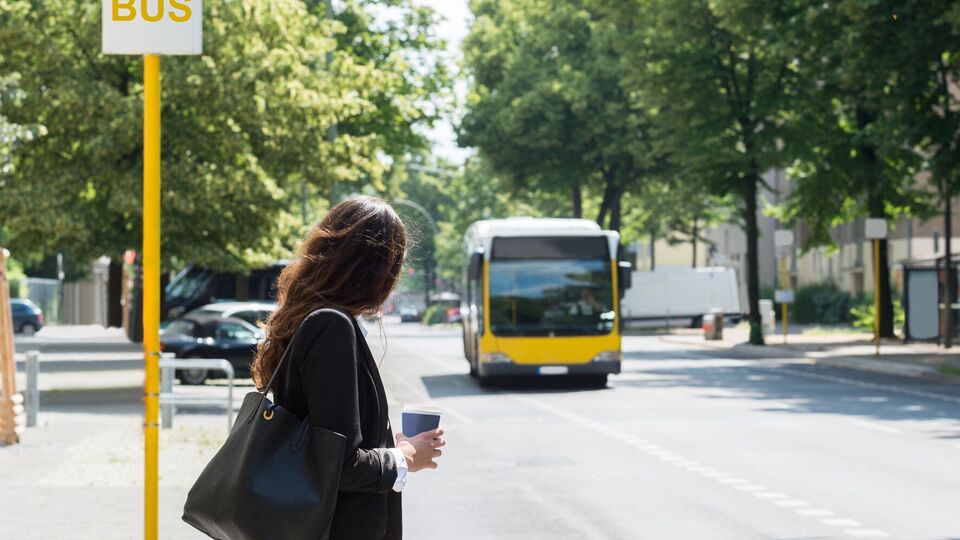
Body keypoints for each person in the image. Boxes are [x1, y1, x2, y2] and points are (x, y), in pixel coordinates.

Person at [251, 196, 444, 539]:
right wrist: (403, 458)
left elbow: (324, 441)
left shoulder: (312, 320)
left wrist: (389, 447)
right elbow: (339, 465)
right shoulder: (331, 327)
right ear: (377, 269)